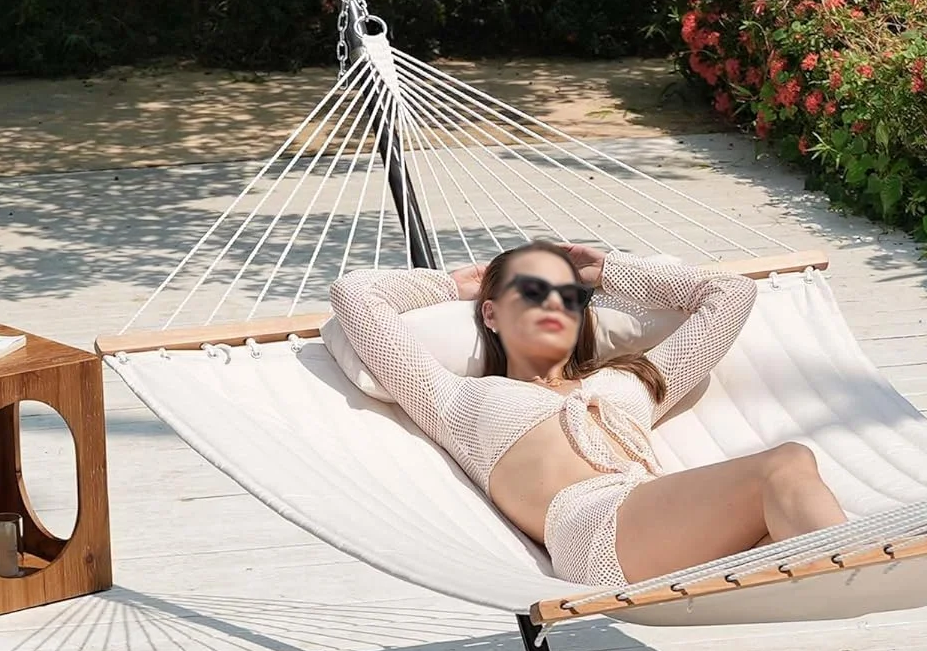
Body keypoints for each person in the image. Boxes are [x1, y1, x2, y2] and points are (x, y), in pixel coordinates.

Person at [331, 241, 846, 587]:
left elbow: (730, 294)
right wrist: (456, 285)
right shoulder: (455, 400)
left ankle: (846, 569)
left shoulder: (634, 381)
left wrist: (607, 271)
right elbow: (356, 294)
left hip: (661, 523)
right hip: (594, 530)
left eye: (570, 295)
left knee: (786, 503)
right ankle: (856, 569)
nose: (555, 304)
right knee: (785, 464)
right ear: (491, 314)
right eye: (533, 291)